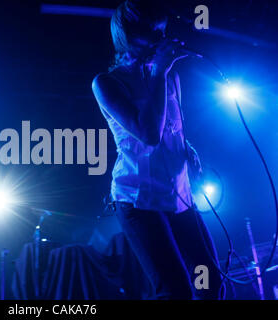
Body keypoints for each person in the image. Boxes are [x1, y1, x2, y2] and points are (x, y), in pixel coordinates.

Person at [92, 0, 224, 299]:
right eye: (152, 32)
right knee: (175, 291)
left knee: (210, 282)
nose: (160, 38)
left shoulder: (170, 77)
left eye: (162, 31)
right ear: (128, 36)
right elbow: (148, 134)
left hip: (179, 196)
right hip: (139, 201)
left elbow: (169, 128)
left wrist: (186, 148)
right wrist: (160, 72)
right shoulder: (107, 83)